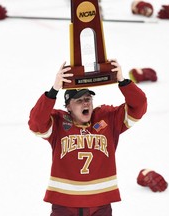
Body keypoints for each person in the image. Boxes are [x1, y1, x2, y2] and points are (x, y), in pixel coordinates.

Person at [28, 59, 147, 216]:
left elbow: (139, 106)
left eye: (88, 99)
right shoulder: (58, 122)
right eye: (79, 101)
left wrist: (123, 81)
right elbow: (36, 122)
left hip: (100, 203)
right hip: (65, 204)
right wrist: (54, 90)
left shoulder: (107, 119)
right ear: (68, 107)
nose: (85, 104)